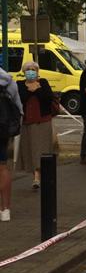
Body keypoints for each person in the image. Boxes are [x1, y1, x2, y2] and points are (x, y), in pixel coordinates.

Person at [18, 60, 64, 188]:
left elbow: (47, 97)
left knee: (41, 149)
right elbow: (21, 98)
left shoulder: (43, 82)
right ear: (24, 72)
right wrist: (32, 90)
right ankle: (36, 175)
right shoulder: (20, 84)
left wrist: (36, 89)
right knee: (30, 150)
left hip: (43, 122)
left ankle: (37, 177)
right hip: (27, 123)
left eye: (33, 70)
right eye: (28, 70)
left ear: (37, 72)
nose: (30, 72)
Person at [0, 65, 23, 222]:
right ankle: (5, 209)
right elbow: (18, 107)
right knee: (3, 166)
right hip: (2, 129)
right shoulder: (7, 80)